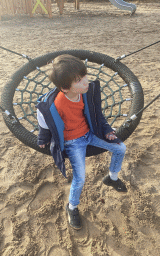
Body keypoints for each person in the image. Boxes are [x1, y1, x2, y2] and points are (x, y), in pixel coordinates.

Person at [36, 54, 127, 230]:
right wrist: (42, 138)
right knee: (80, 179)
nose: (85, 81)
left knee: (120, 148)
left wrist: (107, 131)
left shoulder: (86, 93)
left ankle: (112, 178)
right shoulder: (56, 104)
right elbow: (44, 120)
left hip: (89, 134)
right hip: (72, 142)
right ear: (64, 87)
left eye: (84, 75)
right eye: (78, 80)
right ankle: (72, 207)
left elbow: (97, 115)